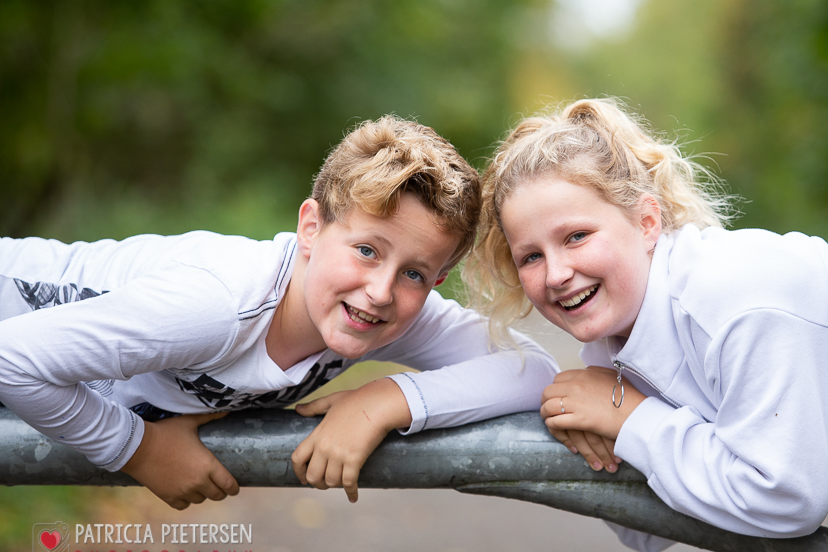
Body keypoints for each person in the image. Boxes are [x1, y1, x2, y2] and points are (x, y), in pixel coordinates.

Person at [465, 97, 828, 552]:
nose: (556, 273)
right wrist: (601, 428)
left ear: (647, 222)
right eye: (530, 256)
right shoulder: (615, 349)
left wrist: (633, 421)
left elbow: (789, 497)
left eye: (576, 236)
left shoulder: (733, 293)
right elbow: (645, 530)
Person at [0, 115, 558, 510]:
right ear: (310, 228)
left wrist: (386, 400)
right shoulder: (217, 306)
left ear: (436, 282)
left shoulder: (380, 313)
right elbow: (10, 360)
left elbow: (533, 370)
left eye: (414, 273)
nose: (381, 290)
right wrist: (135, 448)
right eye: (367, 250)